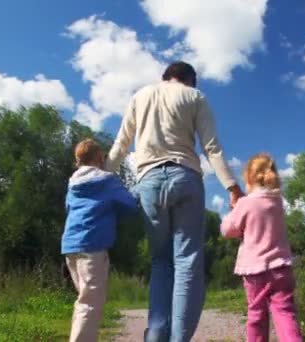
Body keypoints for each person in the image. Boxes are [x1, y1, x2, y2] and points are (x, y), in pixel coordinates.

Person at [105, 61, 243, 341]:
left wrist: (101, 178)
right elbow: (211, 146)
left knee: (160, 261)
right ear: (189, 79)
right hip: (185, 178)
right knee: (187, 261)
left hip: (149, 182)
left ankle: (155, 334)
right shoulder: (194, 97)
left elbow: (121, 144)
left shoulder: (140, 96)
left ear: (166, 76)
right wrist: (232, 186)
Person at [62, 139, 138, 342]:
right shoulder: (107, 180)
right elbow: (130, 204)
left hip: (70, 246)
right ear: (98, 158)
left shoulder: (72, 184)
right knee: (90, 304)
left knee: (84, 300)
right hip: (92, 246)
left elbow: (69, 209)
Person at [221, 154, 303, 342]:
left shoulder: (245, 203)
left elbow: (228, 230)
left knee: (257, 315)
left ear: (249, 179)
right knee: (284, 313)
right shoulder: (277, 202)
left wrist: (234, 209)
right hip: (282, 269)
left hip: (255, 272)